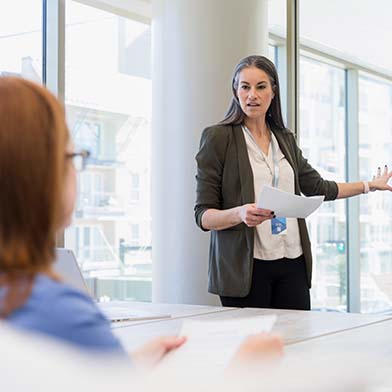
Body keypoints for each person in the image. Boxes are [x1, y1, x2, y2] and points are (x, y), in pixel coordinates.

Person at [0, 76, 282, 366]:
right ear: (35, 172)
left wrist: (133, 363)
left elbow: (94, 380)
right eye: (72, 156)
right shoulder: (57, 314)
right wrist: (243, 369)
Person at [194, 55, 392, 311]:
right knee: (255, 349)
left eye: (260, 87)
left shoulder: (284, 138)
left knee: (295, 346)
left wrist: (368, 185)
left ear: (273, 91)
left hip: (292, 261)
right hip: (246, 268)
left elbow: (319, 188)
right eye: (245, 87)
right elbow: (203, 215)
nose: (252, 95)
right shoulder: (218, 138)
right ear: (236, 90)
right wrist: (240, 213)